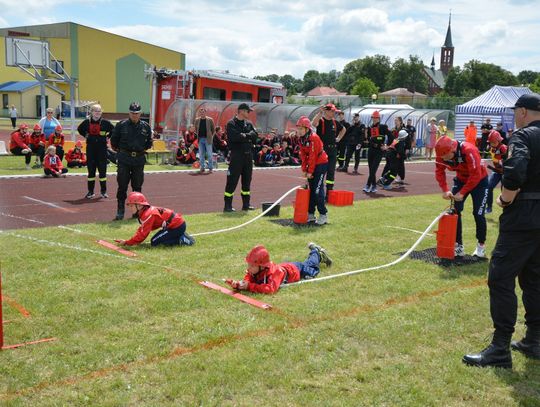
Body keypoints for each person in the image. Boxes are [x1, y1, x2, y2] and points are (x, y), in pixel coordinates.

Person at [462, 92, 540, 369]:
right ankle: (534, 339)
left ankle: (500, 348)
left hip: (524, 215)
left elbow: (515, 173)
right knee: (533, 278)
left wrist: (505, 199)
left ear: (522, 112)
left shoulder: (523, 136)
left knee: (500, 277)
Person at [434, 136, 489, 258]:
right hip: (461, 180)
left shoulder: (469, 151)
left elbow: (475, 175)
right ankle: (458, 245)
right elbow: (439, 172)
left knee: (478, 214)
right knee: (455, 212)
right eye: (441, 157)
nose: (442, 159)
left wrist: (462, 192)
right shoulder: (441, 153)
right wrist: (445, 190)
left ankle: (481, 246)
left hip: (479, 181)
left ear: (452, 150)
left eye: (445, 156)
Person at [225, 243, 332, 294]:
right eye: (249, 264)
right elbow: (248, 278)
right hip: (288, 266)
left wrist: (249, 287)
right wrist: (239, 284)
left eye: (252, 265)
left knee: (311, 267)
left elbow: (270, 289)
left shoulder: (275, 273)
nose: (249, 268)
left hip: (296, 270)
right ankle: (315, 252)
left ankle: (317, 252)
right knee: (308, 263)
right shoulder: (254, 271)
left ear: (262, 266)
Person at [110, 102, 153, 220]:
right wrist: (122, 152)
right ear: (129, 112)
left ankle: (137, 213)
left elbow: (149, 143)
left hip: (139, 160)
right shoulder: (121, 125)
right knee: (122, 186)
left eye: (137, 113)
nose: (135, 115)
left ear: (140, 113)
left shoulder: (146, 126)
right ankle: (120, 211)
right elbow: (113, 142)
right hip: (124, 159)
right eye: (132, 113)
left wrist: (140, 150)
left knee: (137, 187)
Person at [114, 192, 194, 247]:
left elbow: (143, 235)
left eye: (131, 205)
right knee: (155, 241)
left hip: (177, 226)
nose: (130, 208)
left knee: (154, 242)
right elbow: (142, 229)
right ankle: (178, 235)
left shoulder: (147, 214)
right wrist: (130, 241)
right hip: (173, 226)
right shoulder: (144, 213)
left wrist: (127, 243)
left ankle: (182, 239)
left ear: (139, 206)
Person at [223, 103, 258, 212]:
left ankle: (246, 205)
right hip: (236, 156)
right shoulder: (231, 123)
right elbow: (235, 137)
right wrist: (248, 136)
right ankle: (227, 206)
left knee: (247, 181)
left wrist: (245, 136)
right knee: (232, 180)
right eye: (248, 111)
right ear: (242, 111)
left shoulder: (249, 123)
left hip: (248, 156)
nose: (249, 113)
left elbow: (255, 136)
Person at [77, 104, 115, 199]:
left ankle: (103, 192)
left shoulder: (106, 122)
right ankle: (90, 192)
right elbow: (79, 129)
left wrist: (108, 136)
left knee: (102, 172)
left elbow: (114, 130)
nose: (97, 113)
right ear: (92, 112)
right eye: (95, 111)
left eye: (99, 111)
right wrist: (85, 135)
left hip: (102, 149)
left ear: (101, 112)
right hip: (90, 149)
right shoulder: (86, 122)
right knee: (91, 172)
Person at [296, 115, 329, 225]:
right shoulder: (301, 139)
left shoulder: (313, 138)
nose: (299, 131)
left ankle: (323, 215)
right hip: (313, 165)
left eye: (301, 129)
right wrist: (304, 170)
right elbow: (303, 155)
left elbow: (312, 156)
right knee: (311, 190)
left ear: (307, 128)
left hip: (321, 164)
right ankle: (310, 214)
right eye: (298, 128)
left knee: (317, 190)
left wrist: (310, 171)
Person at [312, 103, 346, 199]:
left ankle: (329, 192)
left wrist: (338, 138)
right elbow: (313, 124)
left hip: (332, 151)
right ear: (326, 111)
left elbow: (343, 129)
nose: (333, 113)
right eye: (332, 111)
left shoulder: (335, 122)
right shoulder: (321, 121)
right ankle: (318, 192)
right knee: (320, 172)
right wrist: (320, 112)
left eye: (334, 111)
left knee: (331, 172)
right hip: (322, 152)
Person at [364, 110, 391, 193]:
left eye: (376, 117)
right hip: (371, 150)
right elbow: (368, 139)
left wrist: (387, 145)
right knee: (371, 169)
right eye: (373, 117)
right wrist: (366, 135)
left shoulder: (383, 126)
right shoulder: (370, 127)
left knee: (373, 169)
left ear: (378, 118)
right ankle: (372, 186)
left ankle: (369, 185)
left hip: (379, 151)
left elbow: (391, 136)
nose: (374, 119)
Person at [485, 130, 508, 214]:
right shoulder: (491, 147)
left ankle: (507, 209)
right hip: (497, 171)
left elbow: (509, 161)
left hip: (506, 173)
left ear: (499, 141)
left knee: (505, 190)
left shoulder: (503, 148)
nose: (492, 144)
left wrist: (505, 170)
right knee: (488, 186)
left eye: (494, 142)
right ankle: (489, 208)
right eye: (491, 142)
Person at [194, 107, 215, 173]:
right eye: (201, 112)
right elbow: (195, 128)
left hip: (208, 139)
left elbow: (213, 129)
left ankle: (210, 168)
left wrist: (211, 137)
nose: (202, 113)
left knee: (209, 154)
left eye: (203, 112)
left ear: (205, 112)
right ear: (199, 113)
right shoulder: (197, 120)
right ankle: (202, 168)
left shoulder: (210, 119)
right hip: (200, 139)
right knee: (201, 154)